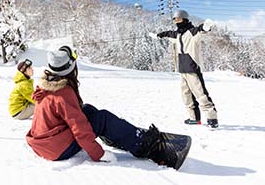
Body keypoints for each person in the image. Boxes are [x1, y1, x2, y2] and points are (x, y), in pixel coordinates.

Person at [25, 46, 189, 169]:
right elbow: (79, 130)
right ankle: (147, 146)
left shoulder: (48, 86)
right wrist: (99, 154)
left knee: (88, 110)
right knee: (102, 119)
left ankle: (118, 136)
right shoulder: (63, 93)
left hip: (45, 145)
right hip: (56, 150)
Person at [157, 9, 219, 128]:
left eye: (179, 19)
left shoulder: (192, 32)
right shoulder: (178, 34)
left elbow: (201, 30)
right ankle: (194, 118)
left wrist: (206, 26)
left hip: (192, 68)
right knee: (186, 96)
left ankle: (212, 119)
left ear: (185, 19)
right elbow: (168, 34)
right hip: (182, 70)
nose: (177, 21)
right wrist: (158, 35)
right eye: (175, 19)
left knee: (201, 95)